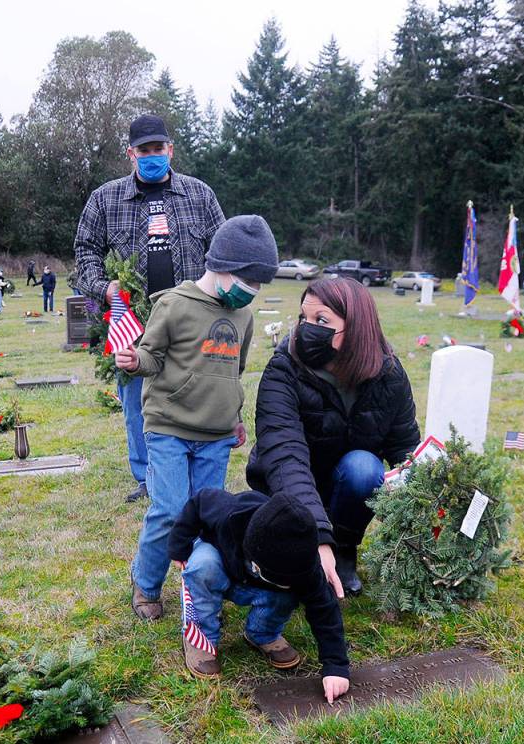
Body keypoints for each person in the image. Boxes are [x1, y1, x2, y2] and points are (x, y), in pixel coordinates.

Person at [114, 215, 278, 621]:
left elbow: (232, 372)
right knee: (170, 509)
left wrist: (235, 417)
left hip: (217, 434)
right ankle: (146, 582)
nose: (253, 291)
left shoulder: (243, 316)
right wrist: (135, 360)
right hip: (169, 425)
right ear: (223, 266)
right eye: (249, 280)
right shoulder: (174, 305)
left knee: (208, 518)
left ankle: (201, 592)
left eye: (260, 284)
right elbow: (151, 356)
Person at [74, 113, 227, 504]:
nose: (152, 155)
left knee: (196, 391)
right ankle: (147, 478)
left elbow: (222, 250)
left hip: (195, 318)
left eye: (159, 148)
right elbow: (85, 250)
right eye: (144, 150)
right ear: (131, 154)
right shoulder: (105, 198)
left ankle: (194, 469)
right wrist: (103, 287)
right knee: (137, 402)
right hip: (134, 321)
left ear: (170, 149)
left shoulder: (200, 195)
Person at [246, 277, 421, 598]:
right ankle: (310, 549)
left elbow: (404, 448)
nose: (306, 328)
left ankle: (343, 551)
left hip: (346, 486)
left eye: (321, 320)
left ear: (355, 327)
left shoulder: (389, 375)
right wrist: (316, 537)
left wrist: (428, 510)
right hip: (288, 483)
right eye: (304, 318)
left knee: (365, 468)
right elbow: (285, 456)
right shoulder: (284, 368)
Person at [168, 489, 350, 703]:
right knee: (202, 567)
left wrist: (336, 667)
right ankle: (203, 637)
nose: (290, 583)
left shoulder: (306, 567)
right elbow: (199, 501)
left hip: (259, 584)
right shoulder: (228, 513)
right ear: (257, 563)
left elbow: (325, 610)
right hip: (219, 561)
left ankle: (263, 633)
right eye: (282, 580)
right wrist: (178, 546)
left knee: (288, 595)